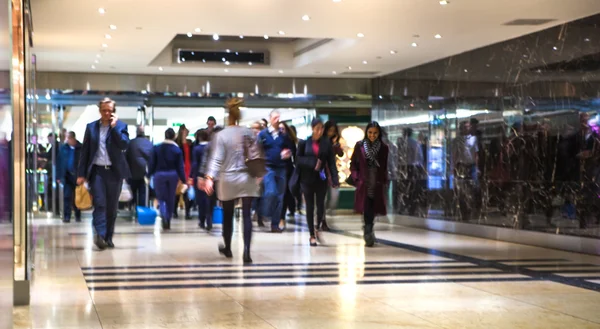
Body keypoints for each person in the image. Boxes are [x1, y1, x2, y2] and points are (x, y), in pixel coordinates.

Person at [204, 98, 259, 263]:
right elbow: (256, 156)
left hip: (228, 177)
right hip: (247, 177)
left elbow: (216, 158)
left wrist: (209, 178)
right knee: (247, 215)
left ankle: (228, 248)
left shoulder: (221, 135)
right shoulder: (249, 133)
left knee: (228, 214)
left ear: (228, 115)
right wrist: (259, 174)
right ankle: (247, 252)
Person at [77, 97, 131, 250]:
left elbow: (124, 144)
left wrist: (114, 128)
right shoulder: (91, 127)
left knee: (112, 207)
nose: (107, 113)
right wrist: (81, 174)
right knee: (100, 204)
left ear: (114, 112)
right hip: (98, 171)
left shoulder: (121, 126)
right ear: (99, 110)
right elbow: (85, 152)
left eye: (110, 110)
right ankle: (100, 235)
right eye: (104, 110)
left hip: (114, 172)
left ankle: (108, 237)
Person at [296, 118, 339, 246]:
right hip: (307, 179)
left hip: (321, 178)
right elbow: (297, 160)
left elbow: (331, 162)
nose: (320, 131)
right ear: (312, 128)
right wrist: (311, 162)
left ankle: (317, 225)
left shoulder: (326, 144)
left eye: (322, 128)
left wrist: (335, 178)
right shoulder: (304, 143)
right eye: (317, 128)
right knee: (310, 206)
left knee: (320, 206)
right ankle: (311, 234)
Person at [349, 121, 389, 247]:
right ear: (366, 132)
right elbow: (353, 164)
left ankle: (369, 229)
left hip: (376, 181)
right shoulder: (360, 145)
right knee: (366, 207)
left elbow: (384, 166)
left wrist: (384, 180)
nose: (372, 135)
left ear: (379, 133)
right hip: (364, 181)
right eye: (370, 132)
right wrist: (356, 177)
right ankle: (367, 231)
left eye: (375, 133)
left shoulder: (383, 148)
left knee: (373, 207)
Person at [258, 110, 294, 233]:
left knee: (280, 197)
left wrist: (287, 153)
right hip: (268, 167)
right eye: (275, 117)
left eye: (279, 117)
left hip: (281, 168)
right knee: (271, 191)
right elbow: (257, 150)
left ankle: (275, 224)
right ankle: (264, 212)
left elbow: (290, 149)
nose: (277, 120)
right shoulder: (263, 135)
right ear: (270, 119)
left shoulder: (283, 136)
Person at [150, 128, 187, 231]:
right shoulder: (177, 150)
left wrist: (148, 175)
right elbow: (180, 167)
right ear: (174, 136)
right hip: (172, 175)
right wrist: (184, 179)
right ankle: (168, 219)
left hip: (159, 175)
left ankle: (163, 215)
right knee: (170, 198)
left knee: (161, 197)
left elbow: (152, 163)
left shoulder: (157, 148)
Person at [57, 131, 82, 223]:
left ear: (73, 138)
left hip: (77, 176)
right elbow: (59, 162)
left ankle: (78, 215)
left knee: (77, 197)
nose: (67, 140)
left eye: (68, 138)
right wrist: (59, 176)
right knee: (67, 196)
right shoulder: (63, 148)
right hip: (67, 175)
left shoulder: (81, 148)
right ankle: (67, 216)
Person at [323, 120, 344, 227]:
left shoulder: (335, 143)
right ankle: (322, 220)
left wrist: (336, 144)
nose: (331, 133)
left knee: (335, 195)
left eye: (333, 131)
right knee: (323, 198)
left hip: (332, 172)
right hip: (323, 171)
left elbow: (341, 154)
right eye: (329, 130)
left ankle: (327, 212)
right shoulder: (322, 141)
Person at [126, 126, 153, 209]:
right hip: (144, 173)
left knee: (132, 192)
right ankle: (141, 211)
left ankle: (131, 208)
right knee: (142, 193)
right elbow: (151, 158)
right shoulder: (149, 143)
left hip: (132, 172)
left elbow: (126, 157)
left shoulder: (130, 143)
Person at [190, 129, 212, 230]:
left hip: (199, 176)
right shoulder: (212, 148)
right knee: (210, 198)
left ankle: (201, 220)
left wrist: (192, 175)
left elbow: (194, 164)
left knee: (200, 200)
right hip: (211, 176)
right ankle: (209, 220)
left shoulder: (197, 149)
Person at [279, 121, 298, 226]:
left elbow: (295, 157)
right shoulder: (275, 140)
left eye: (283, 129)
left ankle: (282, 217)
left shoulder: (290, 141)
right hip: (276, 169)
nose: (281, 131)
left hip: (287, 170)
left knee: (285, 194)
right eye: (279, 129)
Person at [174, 125, 193, 219]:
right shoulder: (177, 144)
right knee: (178, 192)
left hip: (188, 169)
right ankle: (174, 211)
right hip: (180, 169)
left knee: (187, 192)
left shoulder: (189, 144)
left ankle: (187, 212)